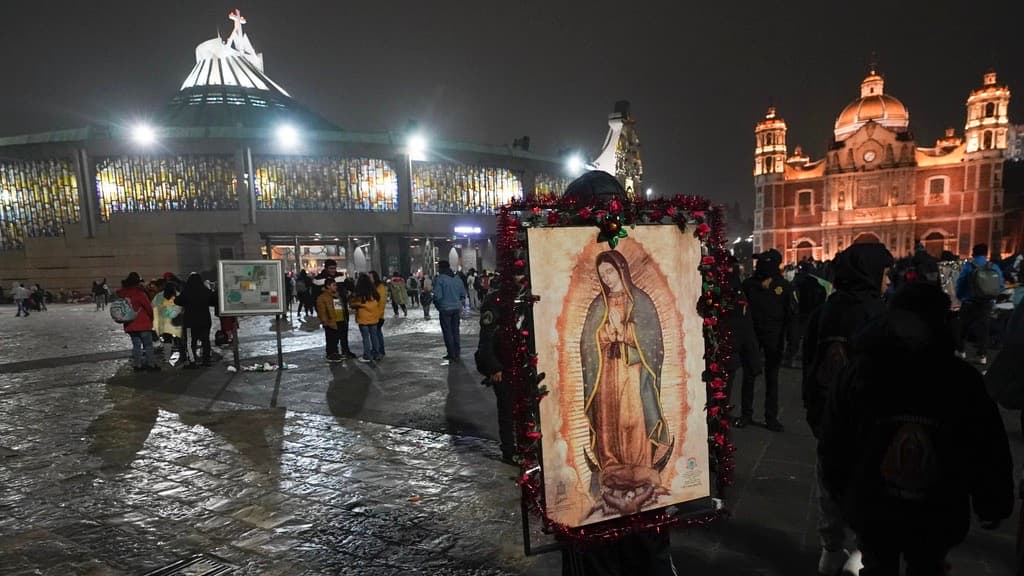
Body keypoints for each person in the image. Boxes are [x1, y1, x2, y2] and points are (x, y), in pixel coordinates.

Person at [820, 282, 1013, 575]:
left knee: (896, 563)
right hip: (921, 506)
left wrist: (838, 486)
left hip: (893, 504)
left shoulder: (865, 370)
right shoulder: (958, 378)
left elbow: (985, 444)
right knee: (905, 564)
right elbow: (987, 445)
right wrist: (992, 502)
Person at [801, 242, 893, 575]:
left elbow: (810, 364)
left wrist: (814, 410)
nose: (888, 281)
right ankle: (860, 551)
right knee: (866, 486)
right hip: (866, 421)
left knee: (829, 482)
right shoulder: (878, 314)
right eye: (885, 273)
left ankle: (830, 550)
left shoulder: (825, 311)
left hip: (827, 417)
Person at [739, 249, 796, 432]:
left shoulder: (784, 287)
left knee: (772, 378)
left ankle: (771, 417)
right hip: (752, 337)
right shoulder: (749, 285)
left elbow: (791, 315)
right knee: (749, 375)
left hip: (774, 338)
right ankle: (746, 414)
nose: (759, 266)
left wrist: (791, 341)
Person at [474, 277, 516, 465]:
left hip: (523, 365)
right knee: (507, 410)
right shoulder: (494, 301)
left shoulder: (527, 298)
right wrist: (494, 366)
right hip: (503, 365)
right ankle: (509, 450)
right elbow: (486, 339)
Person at [725, 264, 764, 428]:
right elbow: (744, 323)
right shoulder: (738, 291)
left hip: (727, 347)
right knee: (725, 386)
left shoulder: (733, 289)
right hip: (732, 348)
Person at [955, 243, 1004, 365]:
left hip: (969, 302)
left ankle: (961, 351)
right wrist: (991, 297)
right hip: (986, 303)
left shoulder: (969, 266)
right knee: (984, 329)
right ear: (986, 253)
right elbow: (1001, 285)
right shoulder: (993, 266)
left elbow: (960, 283)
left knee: (963, 327)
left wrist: (960, 297)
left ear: (973, 253)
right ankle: (982, 355)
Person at [786, 261, 830, 367]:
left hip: (800, 313)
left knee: (795, 337)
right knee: (810, 337)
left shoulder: (796, 282)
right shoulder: (819, 283)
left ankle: (791, 358)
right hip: (813, 313)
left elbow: (792, 297)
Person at [116, 272, 159, 372]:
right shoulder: (139, 293)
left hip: (130, 324)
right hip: (143, 324)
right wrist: (153, 318)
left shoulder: (123, 294)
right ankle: (151, 365)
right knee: (148, 345)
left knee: (136, 346)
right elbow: (149, 308)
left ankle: (137, 365)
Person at [176, 272, 217, 368]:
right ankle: (206, 361)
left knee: (190, 342)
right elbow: (213, 301)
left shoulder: (187, 291)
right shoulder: (205, 290)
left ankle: (192, 362)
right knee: (205, 341)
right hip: (204, 321)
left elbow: (177, 301)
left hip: (190, 322)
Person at [433, 261, 467, 362]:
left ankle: (451, 353)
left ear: (441, 268)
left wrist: (438, 305)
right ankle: (457, 352)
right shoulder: (457, 279)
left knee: (447, 332)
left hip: (445, 309)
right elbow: (463, 294)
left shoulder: (440, 279)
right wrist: (459, 303)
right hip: (456, 308)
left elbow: (437, 296)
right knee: (455, 331)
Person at [350, 273, 384, 363]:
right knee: (374, 336)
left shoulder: (359, 293)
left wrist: (355, 304)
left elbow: (353, 303)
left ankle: (367, 355)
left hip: (363, 318)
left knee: (365, 338)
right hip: (374, 318)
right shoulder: (374, 292)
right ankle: (376, 354)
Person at [315, 277, 346, 363]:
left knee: (336, 338)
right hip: (330, 321)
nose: (336, 287)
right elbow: (321, 311)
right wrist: (325, 321)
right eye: (334, 285)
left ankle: (335, 353)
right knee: (331, 339)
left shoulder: (337, 295)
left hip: (340, 319)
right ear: (328, 286)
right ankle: (331, 354)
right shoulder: (322, 297)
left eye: (336, 285)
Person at [152, 283, 184, 362]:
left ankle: (166, 358)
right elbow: (183, 306)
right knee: (180, 339)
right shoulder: (178, 295)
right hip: (177, 321)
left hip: (165, 322)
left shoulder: (159, 296)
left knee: (167, 340)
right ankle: (183, 356)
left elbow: (153, 306)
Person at [369, 271, 388, 358]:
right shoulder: (374, 287)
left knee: (376, 333)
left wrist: (378, 314)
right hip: (374, 314)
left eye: (370, 277)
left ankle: (379, 351)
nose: (369, 279)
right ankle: (377, 349)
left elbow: (381, 302)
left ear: (375, 278)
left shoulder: (380, 288)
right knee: (376, 333)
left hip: (377, 315)